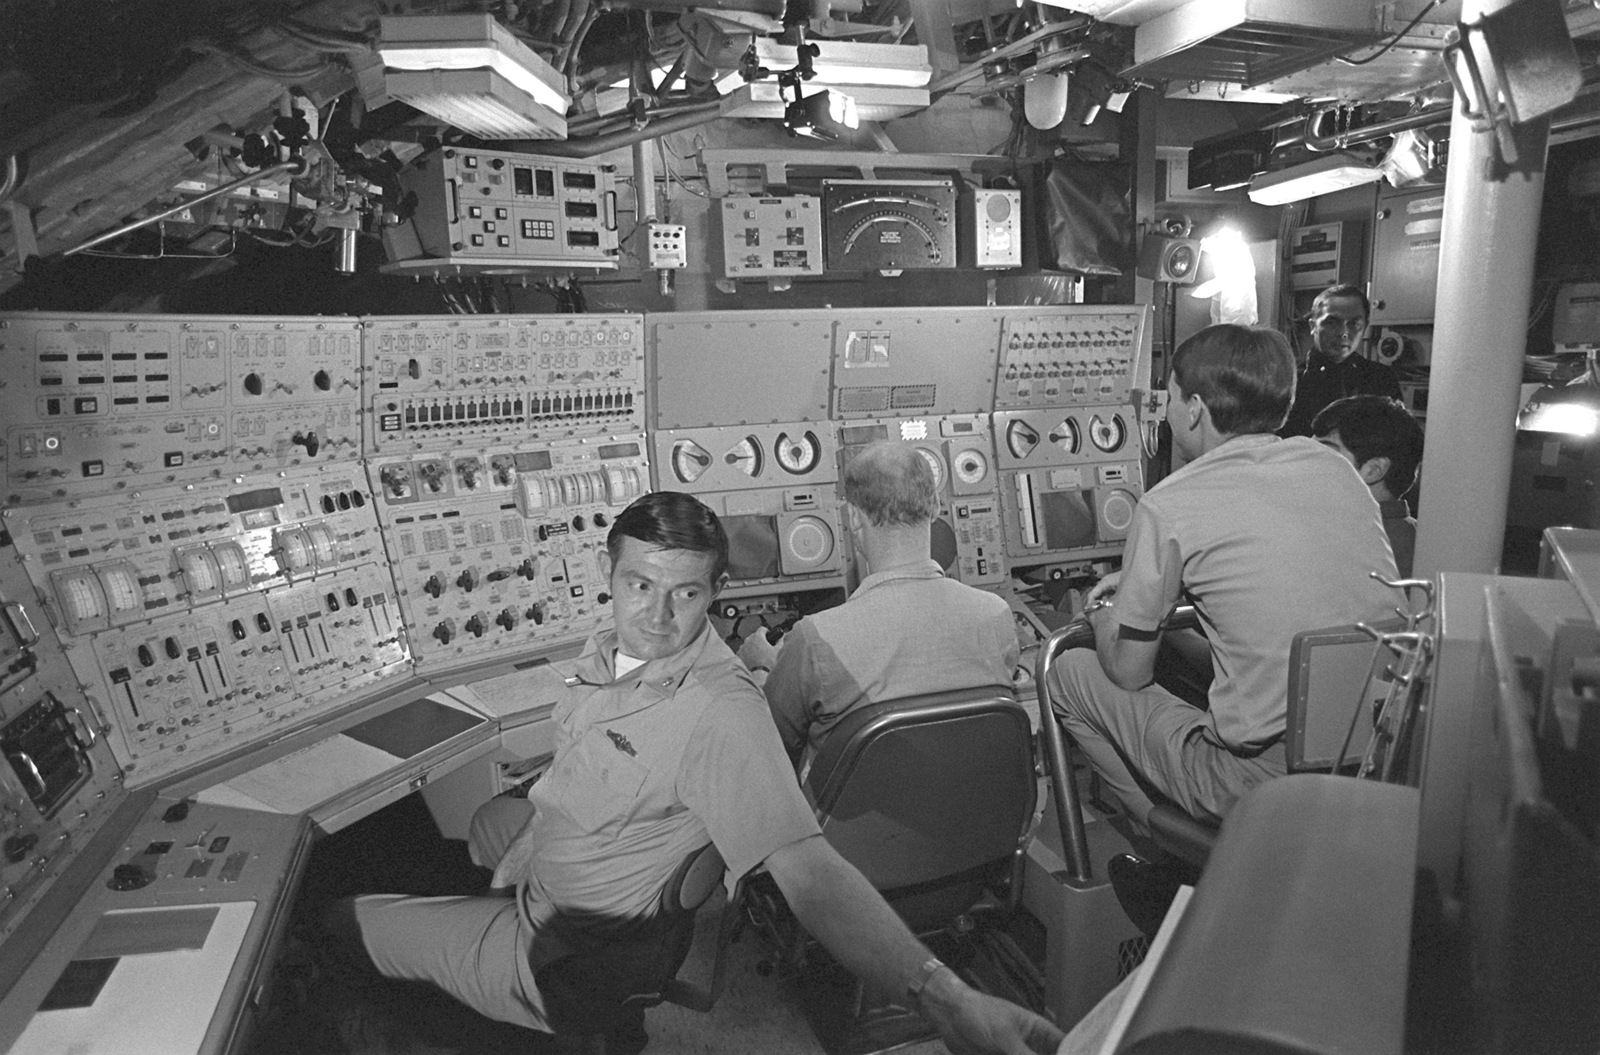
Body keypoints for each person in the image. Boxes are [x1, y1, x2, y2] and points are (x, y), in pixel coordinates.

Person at [328, 491, 1062, 1055]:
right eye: (639, 585)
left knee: (325, 922)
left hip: (561, 957)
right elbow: (602, 753)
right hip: (543, 880)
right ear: (605, 575)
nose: (655, 615)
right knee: (403, 845)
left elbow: (810, 870)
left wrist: (945, 997)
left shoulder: (720, 711)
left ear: (716, 595)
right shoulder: (609, 652)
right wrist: (534, 811)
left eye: (686, 593)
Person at [1050, 324, 1398, 840]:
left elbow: (1129, 674)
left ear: (1193, 408)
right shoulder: (1333, 467)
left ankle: (1160, 839)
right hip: (1378, 753)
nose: (1167, 411)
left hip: (1254, 782)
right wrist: (1157, 579)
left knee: (1068, 670)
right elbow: (1277, 547)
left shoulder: (1169, 503)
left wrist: (1105, 613)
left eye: (1168, 397)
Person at [740, 441, 1018, 771]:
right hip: (980, 812)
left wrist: (760, 671)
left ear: (854, 518)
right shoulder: (996, 614)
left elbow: (770, 749)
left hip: (859, 822)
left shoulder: (815, 638)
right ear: (936, 506)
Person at [1311, 394, 1425, 577]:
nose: (1306, 459)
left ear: (1374, 471)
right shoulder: (1421, 540)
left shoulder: (1344, 541)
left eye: (1326, 451)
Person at [1279, 283, 1401, 437]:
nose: (1343, 333)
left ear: (1365, 327)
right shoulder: (1288, 381)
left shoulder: (1381, 379)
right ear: (1313, 325)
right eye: (1331, 323)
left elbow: (1399, 442)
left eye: (1354, 324)